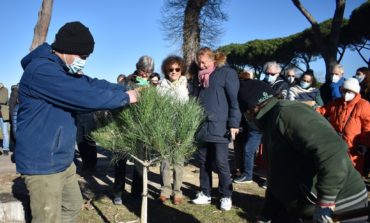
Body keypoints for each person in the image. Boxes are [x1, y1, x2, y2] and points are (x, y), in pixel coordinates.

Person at [15, 21, 138, 222]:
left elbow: (91, 83)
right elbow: (84, 96)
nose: (84, 61)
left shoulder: (62, 69)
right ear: (67, 49)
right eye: (83, 57)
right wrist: (126, 99)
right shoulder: (42, 71)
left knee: (71, 207)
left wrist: (124, 89)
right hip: (43, 164)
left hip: (62, 160)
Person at [238, 79, 368, 223]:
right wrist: (266, 215)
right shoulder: (270, 124)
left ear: (250, 110)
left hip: (342, 205)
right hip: (305, 210)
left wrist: (326, 201)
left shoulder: (288, 113)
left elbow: (332, 151)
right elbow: (278, 178)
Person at [191, 47, 241, 211]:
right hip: (201, 127)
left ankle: (226, 195)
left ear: (213, 59)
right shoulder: (197, 77)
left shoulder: (227, 73)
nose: (201, 64)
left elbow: (234, 101)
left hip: (219, 127)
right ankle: (205, 193)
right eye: (199, 61)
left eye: (204, 60)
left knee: (221, 163)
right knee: (203, 162)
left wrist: (234, 123)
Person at [113, 56, 154, 204]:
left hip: (141, 127)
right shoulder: (126, 82)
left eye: (149, 72)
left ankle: (137, 192)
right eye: (143, 71)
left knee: (140, 162)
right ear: (138, 68)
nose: (145, 75)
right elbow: (118, 101)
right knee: (120, 161)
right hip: (124, 126)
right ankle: (118, 192)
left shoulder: (150, 85)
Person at [317, 78, 370, 176]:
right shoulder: (336, 102)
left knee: (352, 172)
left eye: (349, 91)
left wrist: (364, 144)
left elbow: (368, 126)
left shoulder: (363, 105)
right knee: (332, 170)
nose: (346, 93)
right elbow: (323, 110)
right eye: (344, 91)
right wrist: (310, 110)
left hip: (353, 147)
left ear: (355, 92)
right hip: (335, 143)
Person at [157, 55, 189, 205]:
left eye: (177, 69)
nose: (174, 72)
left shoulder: (187, 85)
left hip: (181, 129)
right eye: (171, 69)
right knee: (165, 162)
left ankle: (177, 192)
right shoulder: (160, 86)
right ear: (166, 70)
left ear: (181, 69)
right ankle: (164, 190)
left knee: (178, 163)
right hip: (165, 128)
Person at [0, 82, 9, 156]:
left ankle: (5, 149)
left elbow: (3, 100)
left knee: (5, 132)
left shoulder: (5, 90)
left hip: (3, 115)